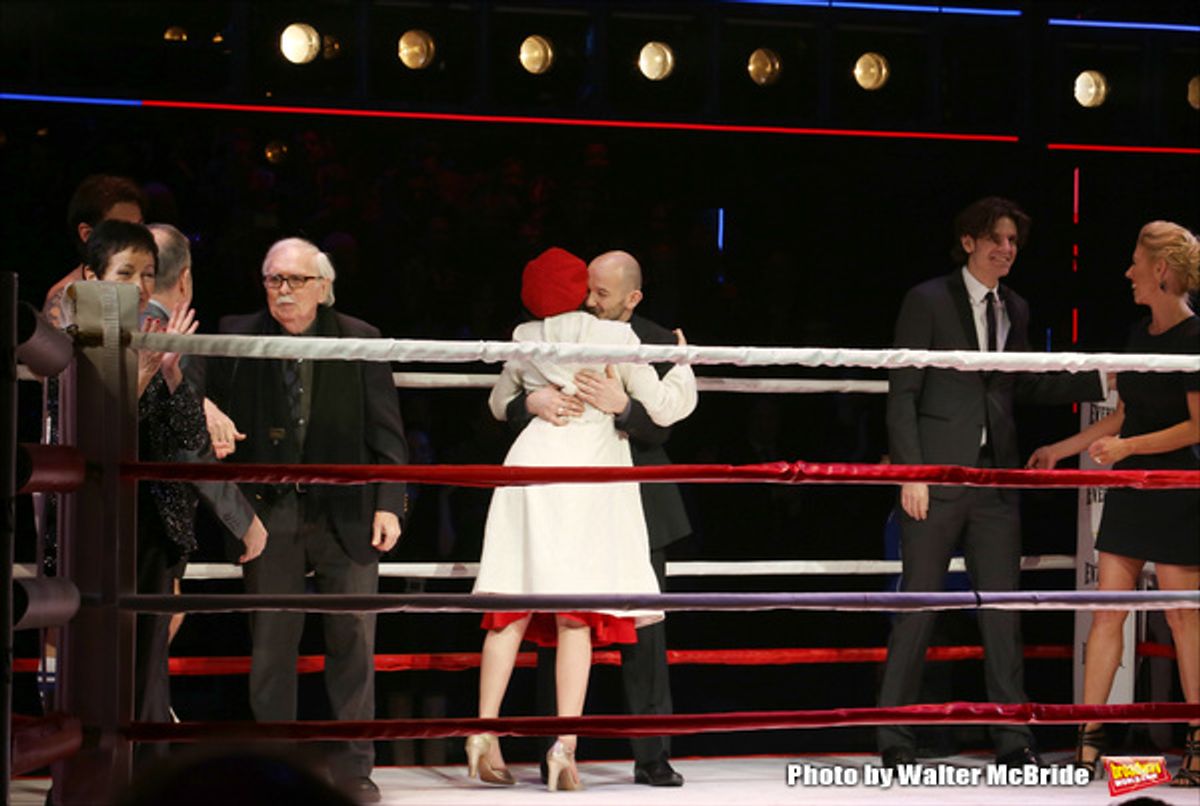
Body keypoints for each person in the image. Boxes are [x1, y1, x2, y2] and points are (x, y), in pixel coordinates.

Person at [877, 196, 1105, 769]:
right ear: (969, 242)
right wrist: (911, 472)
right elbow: (902, 393)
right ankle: (895, 737)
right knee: (918, 607)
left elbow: (1019, 383)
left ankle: (1012, 737)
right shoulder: (927, 300)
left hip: (996, 479)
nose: (1007, 249)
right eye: (997, 239)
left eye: (1013, 241)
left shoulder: (1015, 307)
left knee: (1004, 610)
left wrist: (1100, 378)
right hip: (935, 475)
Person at [467, 247, 697, 791]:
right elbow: (669, 407)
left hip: (533, 469)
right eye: (587, 287)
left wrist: (604, 403)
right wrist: (686, 362)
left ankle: (483, 733)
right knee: (576, 617)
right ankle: (562, 748)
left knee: (512, 604)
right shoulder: (616, 337)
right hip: (589, 475)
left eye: (602, 290)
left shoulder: (527, 336)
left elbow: (500, 402)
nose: (593, 298)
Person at [201, 237, 408, 804]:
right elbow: (185, 384)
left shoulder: (360, 338)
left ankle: (355, 768)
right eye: (274, 279)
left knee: (353, 641)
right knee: (272, 644)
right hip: (269, 511)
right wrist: (206, 406)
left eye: (295, 280)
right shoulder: (235, 333)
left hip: (347, 508)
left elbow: (388, 431)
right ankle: (275, 767)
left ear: (324, 286)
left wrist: (390, 501)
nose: (284, 290)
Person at [1027, 221, 1200, 786]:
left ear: (1160, 270)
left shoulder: (1195, 337)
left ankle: (1198, 745)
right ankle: (1087, 741)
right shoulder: (1136, 334)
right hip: (1132, 486)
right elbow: (1126, 414)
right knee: (1107, 613)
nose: (1127, 273)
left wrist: (1128, 448)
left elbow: (1196, 426)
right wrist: (1062, 449)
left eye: (1135, 263)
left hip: (1174, 485)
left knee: (1182, 618)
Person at [78, 220, 216, 761]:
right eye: (126, 273)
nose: (139, 286)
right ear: (92, 276)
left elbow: (189, 438)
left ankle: (145, 773)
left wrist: (174, 372)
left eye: (148, 274)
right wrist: (143, 374)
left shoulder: (154, 334)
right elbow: (92, 436)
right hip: (99, 524)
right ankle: (94, 775)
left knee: (147, 658)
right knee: (100, 658)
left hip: (157, 521)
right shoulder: (74, 338)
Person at [146, 223, 269, 649]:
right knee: (150, 628)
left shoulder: (107, 323)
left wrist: (204, 404)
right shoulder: (176, 337)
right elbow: (188, 444)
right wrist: (244, 520)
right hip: (151, 513)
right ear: (184, 278)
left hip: (104, 503)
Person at [45, 174, 146, 327]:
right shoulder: (66, 299)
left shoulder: (148, 284)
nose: (136, 240)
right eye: (121, 230)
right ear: (87, 234)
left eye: (139, 228)